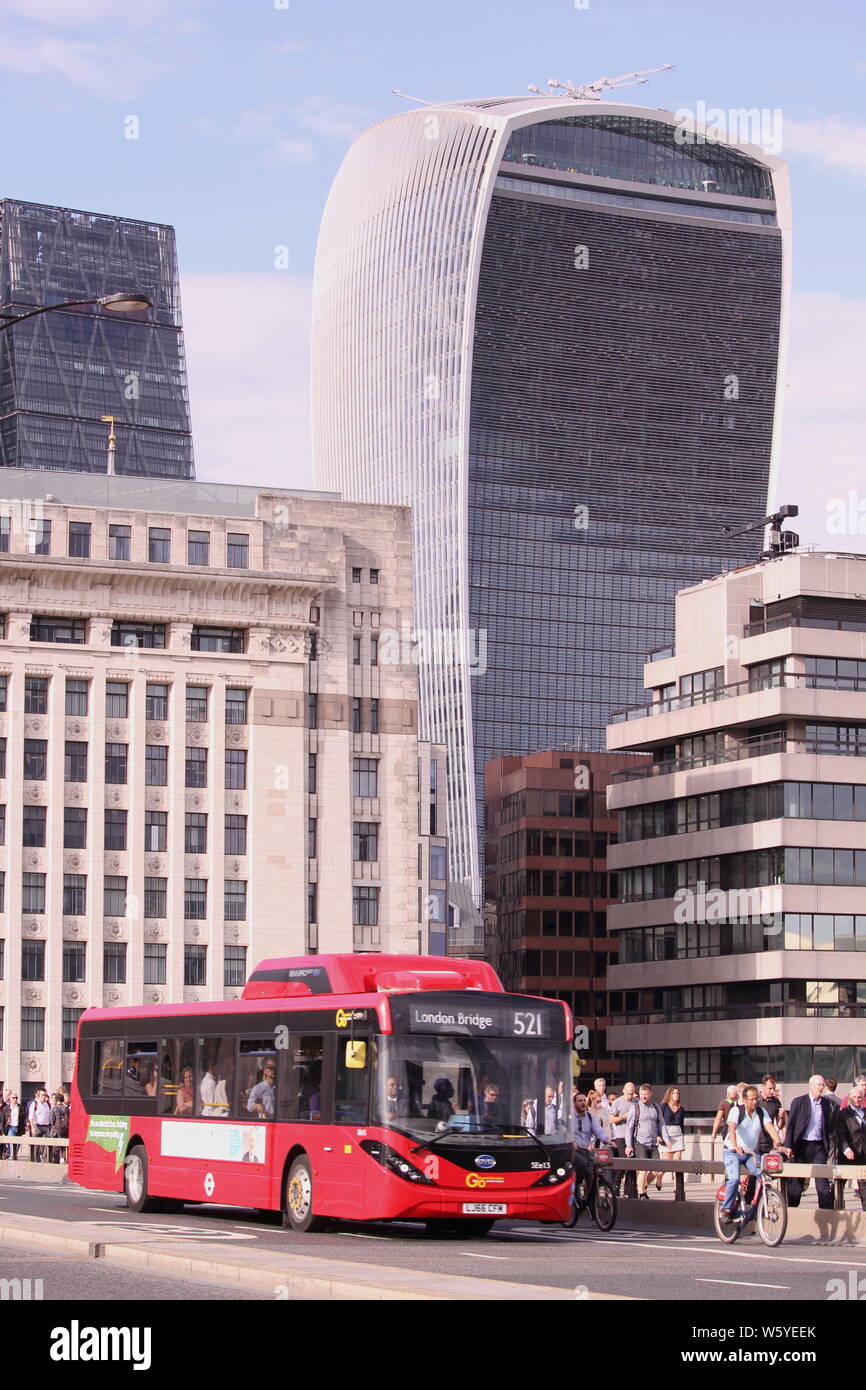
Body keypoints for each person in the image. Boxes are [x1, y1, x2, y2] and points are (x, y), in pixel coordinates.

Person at [720, 1085, 783, 1223]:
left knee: (762, 1174)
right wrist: (735, 1145)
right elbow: (732, 1127)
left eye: (757, 1099)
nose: (755, 1102)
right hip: (732, 1151)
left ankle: (756, 1206)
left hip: (750, 1153)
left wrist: (779, 1144)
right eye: (752, 1099)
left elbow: (770, 1128)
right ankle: (727, 1209)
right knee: (734, 1179)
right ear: (745, 1099)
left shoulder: (761, 1112)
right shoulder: (736, 1111)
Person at [784, 1075, 836, 1210]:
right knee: (796, 1186)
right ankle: (791, 1210)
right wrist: (788, 1146)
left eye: (823, 1085)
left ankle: (826, 1213)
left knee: (822, 1181)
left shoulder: (826, 1103)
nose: (822, 1087)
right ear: (811, 1086)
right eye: (819, 1085)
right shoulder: (799, 1102)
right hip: (801, 1146)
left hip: (819, 1146)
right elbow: (790, 1126)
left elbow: (829, 1126)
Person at [625, 1084, 670, 1198]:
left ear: (650, 1094)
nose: (644, 1096)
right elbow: (629, 1128)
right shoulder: (635, 1108)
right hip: (640, 1142)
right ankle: (641, 1193)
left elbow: (662, 1123)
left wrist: (666, 1138)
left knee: (656, 1169)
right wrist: (629, 1145)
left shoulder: (655, 1107)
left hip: (653, 1142)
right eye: (641, 1094)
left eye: (646, 1094)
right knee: (643, 1169)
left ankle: (642, 1186)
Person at [834, 1082, 866, 1210]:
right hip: (849, 1153)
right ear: (849, 1097)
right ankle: (833, 1208)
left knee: (864, 1184)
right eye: (854, 1097)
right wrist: (846, 1148)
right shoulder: (843, 1113)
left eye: (859, 1097)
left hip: (864, 1154)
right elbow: (841, 1134)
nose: (857, 1100)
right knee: (840, 1182)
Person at [572, 1092, 609, 1190]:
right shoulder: (569, 1116)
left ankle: (590, 1200)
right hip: (573, 1151)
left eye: (584, 1100)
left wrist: (606, 1140)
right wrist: (572, 1142)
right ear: (574, 1103)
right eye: (580, 1101)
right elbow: (564, 1131)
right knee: (582, 1164)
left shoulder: (589, 1116)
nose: (583, 1103)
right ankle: (576, 1186)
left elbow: (598, 1130)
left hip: (585, 1150)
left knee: (592, 1172)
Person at [610, 1081, 637, 1195]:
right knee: (623, 1160)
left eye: (632, 1094)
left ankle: (630, 1188)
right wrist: (624, 1117)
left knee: (633, 1162)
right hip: (621, 1135)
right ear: (623, 1091)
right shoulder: (617, 1102)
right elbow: (612, 1119)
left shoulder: (636, 1102)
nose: (630, 1096)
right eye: (628, 1094)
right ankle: (616, 1186)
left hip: (633, 1135)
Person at [657, 1086, 686, 1191]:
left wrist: (683, 1136)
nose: (676, 1095)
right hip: (666, 1134)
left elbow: (682, 1124)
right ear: (669, 1094)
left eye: (677, 1093)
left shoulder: (681, 1108)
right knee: (668, 1162)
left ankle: (676, 1186)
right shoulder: (663, 1106)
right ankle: (660, 1175)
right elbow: (659, 1121)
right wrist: (659, 1135)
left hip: (678, 1134)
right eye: (674, 1093)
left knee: (678, 1161)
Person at [48, 1092, 70, 1163]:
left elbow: (51, 1120)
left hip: (56, 1131)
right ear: (63, 1100)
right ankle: (64, 1160)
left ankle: (56, 1163)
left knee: (56, 1149)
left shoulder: (54, 1108)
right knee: (63, 1148)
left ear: (56, 1100)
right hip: (65, 1130)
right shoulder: (67, 1109)